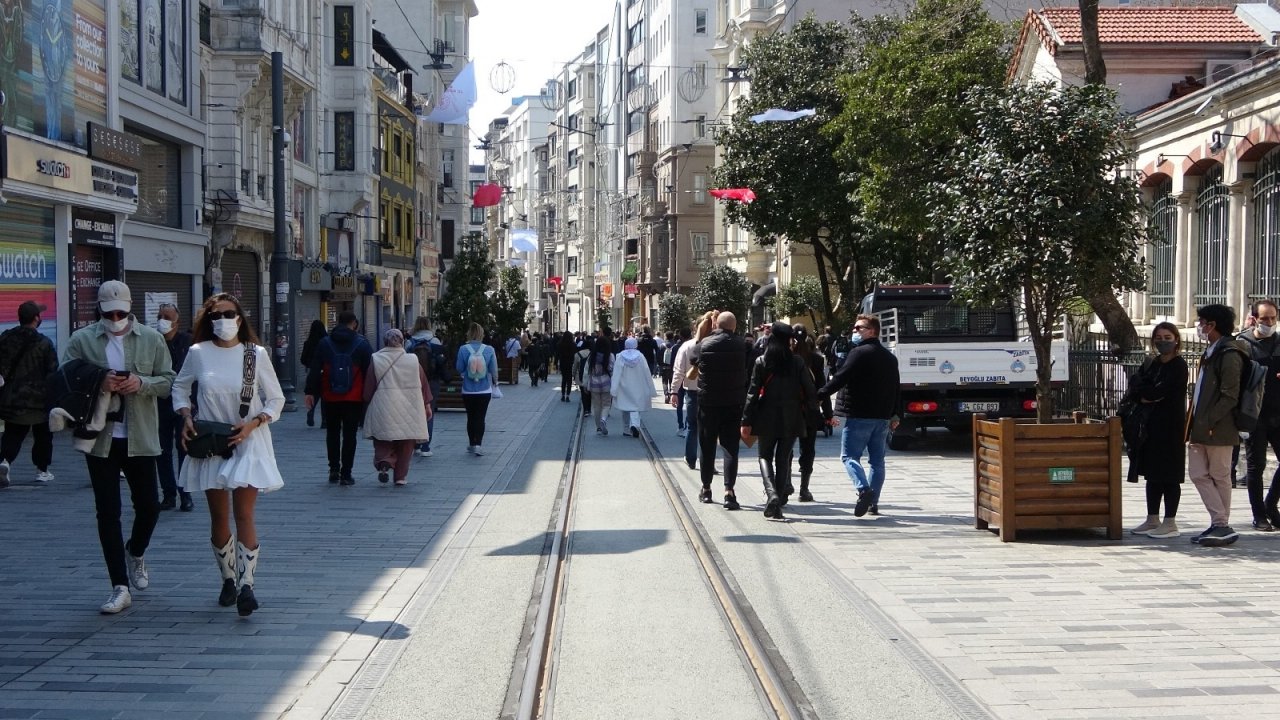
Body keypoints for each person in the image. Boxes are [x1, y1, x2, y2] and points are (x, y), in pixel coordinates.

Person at [63, 280, 175, 614]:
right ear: (99, 309)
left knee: (150, 506)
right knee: (107, 511)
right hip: (100, 439)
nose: (115, 318)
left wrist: (141, 383)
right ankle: (119, 586)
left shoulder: (152, 339)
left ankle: (136, 551)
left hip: (141, 436)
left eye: (121, 312)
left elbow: (168, 381)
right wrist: (101, 381)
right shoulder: (83, 339)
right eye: (109, 312)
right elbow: (65, 377)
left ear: (130, 309)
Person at [172, 293, 284, 616]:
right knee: (219, 517)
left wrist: (255, 424)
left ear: (240, 317)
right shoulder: (198, 353)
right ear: (208, 320)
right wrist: (187, 415)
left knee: (244, 514)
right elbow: (180, 388)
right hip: (212, 441)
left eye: (230, 313)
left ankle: (247, 586)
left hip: (249, 438)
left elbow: (275, 399)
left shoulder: (255, 354)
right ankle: (228, 578)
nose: (224, 319)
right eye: (217, 314)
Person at [818, 315, 901, 517]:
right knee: (877, 462)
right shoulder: (890, 358)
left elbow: (840, 378)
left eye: (859, 328)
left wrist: (820, 394)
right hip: (882, 417)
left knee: (849, 456)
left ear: (872, 330)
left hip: (859, 416)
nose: (855, 331)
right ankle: (874, 502)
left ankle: (864, 489)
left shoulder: (858, 353)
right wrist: (896, 414)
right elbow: (896, 388)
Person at [742, 323, 818, 520]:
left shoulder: (761, 361)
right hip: (792, 417)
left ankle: (772, 494)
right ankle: (778, 498)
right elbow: (810, 391)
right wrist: (813, 416)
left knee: (764, 456)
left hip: (766, 415)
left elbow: (751, 394)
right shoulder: (798, 362)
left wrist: (746, 420)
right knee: (783, 458)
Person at [1187, 304, 1249, 547]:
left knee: (1220, 475)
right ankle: (1220, 522)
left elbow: (1230, 395)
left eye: (1202, 322)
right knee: (1198, 473)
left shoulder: (1230, 353)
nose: (1199, 326)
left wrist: (1210, 419)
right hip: (1200, 425)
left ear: (1212, 325)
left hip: (1219, 427)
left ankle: (1221, 524)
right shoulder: (1211, 351)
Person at [1122, 323, 1188, 539]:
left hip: (1171, 427)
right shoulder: (1152, 363)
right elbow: (1135, 387)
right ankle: (1152, 518)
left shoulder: (1179, 365)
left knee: (1169, 475)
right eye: (1158, 337)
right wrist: (1143, 394)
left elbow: (1161, 391)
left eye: (1167, 337)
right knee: (1152, 474)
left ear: (1176, 339)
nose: (1163, 341)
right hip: (1149, 426)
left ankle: (1170, 522)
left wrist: (1146, 394)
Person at [305, 312, 373, 486]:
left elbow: (314, 369)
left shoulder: (325, 343)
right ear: (354, 324)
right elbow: (370, 372)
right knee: (350, 435)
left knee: (332, 433)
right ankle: (346, 474)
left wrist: (310, 392)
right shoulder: (362, 344)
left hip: (330, 396)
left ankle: (333, 469)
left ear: (338, 322)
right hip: (354, 398)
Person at [694, 311, 752, 509]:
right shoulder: (744, 345)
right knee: (730, 447)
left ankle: (706, 488)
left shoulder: (705, 344)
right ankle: (729, 491)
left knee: (707, 445)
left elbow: (694, 358)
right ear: (735, 326)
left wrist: (706, 332)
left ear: (715, 324)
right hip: (734, 403)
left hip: (708, 403)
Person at [0, 300, 58, 488]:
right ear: (36, 318)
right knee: (43, 436)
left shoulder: (6, 338)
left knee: (13, 433)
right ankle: (42, 470)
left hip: (12, 397)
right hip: (39, 399)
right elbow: (52, 371)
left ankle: (5, 461)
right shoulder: (44, 343)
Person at [363, 329, 432, 485]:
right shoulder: (413, 360)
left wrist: (367, 402)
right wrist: (426, 405)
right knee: (407, 442)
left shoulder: (376, 360)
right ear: (402, 341)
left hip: (383, 406)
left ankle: (384, 463)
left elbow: (368, 390)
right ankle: (400, 477)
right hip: (410, 407)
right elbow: (424, 385)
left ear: (384, 341)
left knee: (382, 438)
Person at [1235, 300, 1280, 531]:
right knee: (1256, 465)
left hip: (1278, 412)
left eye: (1273, 318)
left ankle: (1271, 504)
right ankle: (1259, 515)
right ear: (1254, 319)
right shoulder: (1243, 344)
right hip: (1254, 413)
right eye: (1264, 318)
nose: (1269, 323)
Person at [154, 302, 194, 511]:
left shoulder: (187, 342)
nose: (163, 320)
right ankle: (168, 494)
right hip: (159, 403)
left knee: (183, 448)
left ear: (177, 322)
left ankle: (185, 494)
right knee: (162, 451)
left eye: (167, 317)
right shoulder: (153, 341)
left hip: (183, 405)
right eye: (160, 316)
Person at [792, 325, 834, 502]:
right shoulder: (816, 360)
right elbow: (823, 389)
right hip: (810, 410)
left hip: (789, 410)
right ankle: (804, 489)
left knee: (786, 448)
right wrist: (828, 414)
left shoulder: (787, 358)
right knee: (808, 449)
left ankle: (786, 483)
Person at [670, 315, 714, 470]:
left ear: (696, 328)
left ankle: (691, 459)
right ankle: (708, 462)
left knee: (692, 426)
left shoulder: (687, 346)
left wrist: (674, 391)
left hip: (693, 392)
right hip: (713, 393)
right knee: (709, 429)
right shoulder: (716, 345)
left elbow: (679, 371)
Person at [405, 317, 448, 457]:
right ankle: (425, 446)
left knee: (414, 412)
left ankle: (415, 445)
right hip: (431, 381)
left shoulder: (410, 342)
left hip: (413, 381)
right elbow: (441, 361)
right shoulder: (434, 341)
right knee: (429, 412)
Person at [456, 322, 499, 455]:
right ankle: (478, 444)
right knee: (481, 417)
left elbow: (459, 368)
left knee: (471, 416)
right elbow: (494, 369)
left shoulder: (463, 349)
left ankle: (471, 443)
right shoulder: (489, 349)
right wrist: (495, 382)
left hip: (468, 389)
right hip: (484, 389)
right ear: (482, 334)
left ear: (469, 333)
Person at [611, 337, 657, 437]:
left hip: (624, 386)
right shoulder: (640, 356)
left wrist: (613, 389)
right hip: (638, 386)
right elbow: (646, 372)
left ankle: (626, 428)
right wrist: (651, 388)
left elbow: (616, 373)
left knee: (625, 407)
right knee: (636, 407)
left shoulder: (620, 356)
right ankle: (635, 425)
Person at [587, 327, 615, 435]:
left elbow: (587, 371)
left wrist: (585, 384)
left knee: (596, 405)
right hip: (606, 382)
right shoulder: (610, 356)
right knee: (606, 404)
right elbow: (612, 370)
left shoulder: (592, 356)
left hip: (594, 382)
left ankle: (598, 427)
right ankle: (603, 419)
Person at [299, 320, 327, 428]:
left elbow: (303, 359)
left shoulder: (308, 343)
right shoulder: (326, 342)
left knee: (314, 395)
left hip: (312, 373)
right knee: (324, 397)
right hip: (325, 372)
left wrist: (310, 364)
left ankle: (311, 411)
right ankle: (324, 420)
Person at [572, 335, 593, 417]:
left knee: (583, 393)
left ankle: (586, 410)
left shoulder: (577, 354)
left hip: (581, 375)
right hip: (590, 374)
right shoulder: (592, 353)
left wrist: (573, 375)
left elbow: (575, 366)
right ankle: (590, 408)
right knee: (590, 392)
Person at [556, 331, 577, 402]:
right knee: (569, 380)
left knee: (564, 379)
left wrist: (556, 363)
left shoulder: (560, 344)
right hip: (570, 363)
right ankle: (568, 395)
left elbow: (557, 354)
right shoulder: (573, 344)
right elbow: (575, 353)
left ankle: (562, 395)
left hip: (562, 362)